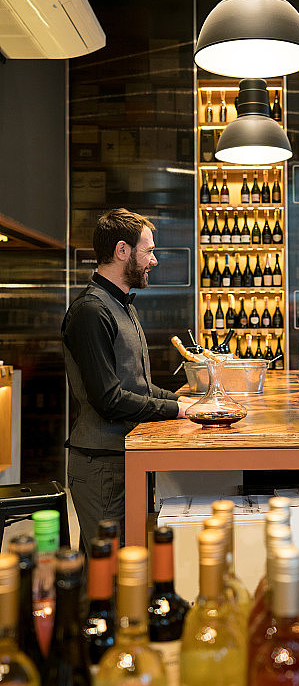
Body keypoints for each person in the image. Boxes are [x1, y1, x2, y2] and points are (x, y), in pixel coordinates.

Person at [62, 208, 195, 553]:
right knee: (111, 570)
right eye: (148, 251)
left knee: (124, 564)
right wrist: (177, 410)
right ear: (123, 251)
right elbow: (109, 400)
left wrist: (185, 402)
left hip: (125, 455)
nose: (154, 261)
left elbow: (138, 385)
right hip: (101, 464)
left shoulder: (122, 306)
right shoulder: (91, 311)